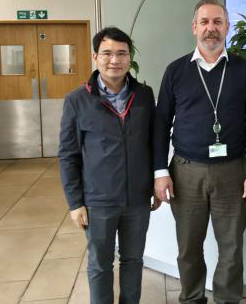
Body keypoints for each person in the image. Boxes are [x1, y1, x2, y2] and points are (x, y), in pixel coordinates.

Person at [154, 0, 246, 304]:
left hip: (233, 172)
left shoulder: (245, 70)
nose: (211, 28)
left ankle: (227, 300)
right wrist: (160, 172)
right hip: (185, 172)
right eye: (204, 22)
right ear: (194, 27)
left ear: (227, 27)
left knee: (231, 247)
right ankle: (192, 298)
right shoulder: (176, 71)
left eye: (218, 22)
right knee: (188, 247)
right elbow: (161, 124)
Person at [59, 27, 160, 304]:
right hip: (98, 201)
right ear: (95, 57)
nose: (114, 60)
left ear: (130, 58)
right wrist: (75, 202)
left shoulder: (144, 95)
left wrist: (155, 182)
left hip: (137, 199)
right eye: (107, 53)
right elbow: (68, 155)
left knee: (133, 260)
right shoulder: (77, 100)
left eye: (121, 53)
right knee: (100, 265)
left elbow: (154, 144)